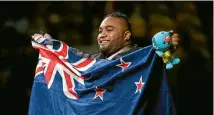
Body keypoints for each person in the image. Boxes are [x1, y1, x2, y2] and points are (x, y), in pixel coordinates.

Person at [33, 11, 180, 61]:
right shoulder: (94, 61)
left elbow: (158, 58)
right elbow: (74, 57)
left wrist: (168, 47)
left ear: (126, 35)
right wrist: (53, 46)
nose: (102, 35)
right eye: (100, 31)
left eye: (109, 30)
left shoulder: (140, 57)